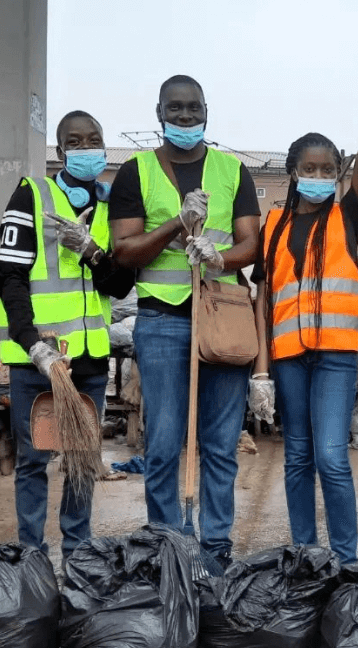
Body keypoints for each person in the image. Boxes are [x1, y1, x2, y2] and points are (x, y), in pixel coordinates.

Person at [247, 17, 358, 565]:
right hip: (289, 359)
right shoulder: (272, 227)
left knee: (332, 458)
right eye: (308, 167)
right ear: (292, 171)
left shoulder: (350, 215)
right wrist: (262, 371)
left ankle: (346, 557)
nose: (318, 173)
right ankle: (304, 551)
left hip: (336, 357)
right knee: (296, 458)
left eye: (327, 167)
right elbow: (263, 302)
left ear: (338, 173)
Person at [109, 76, 260, 569]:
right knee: (165, 444)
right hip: (163, 320)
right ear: (159, 112)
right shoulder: (136, 173)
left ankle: (215, 548)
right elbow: (125, 250)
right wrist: (177, 223)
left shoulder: (232, 171)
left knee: (219, 444)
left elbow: (250, 245)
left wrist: (218, 258)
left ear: (206, 111)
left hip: (222, 318)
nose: (185, 116)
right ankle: (168, 546)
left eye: (193, 108)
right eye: (175, 108)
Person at [0, 110, 135, 568]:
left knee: (80, 459)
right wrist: (30, 342)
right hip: (40, 357)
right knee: (33, 459)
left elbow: (118, 284)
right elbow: (9, 277)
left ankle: (76, 553)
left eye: (94, 139)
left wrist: (93, 251)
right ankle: (32, 556)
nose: (86, 147)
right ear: (60, 152)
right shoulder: (31, 195)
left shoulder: (112, 206)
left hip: (90, 358)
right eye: (75, 141)